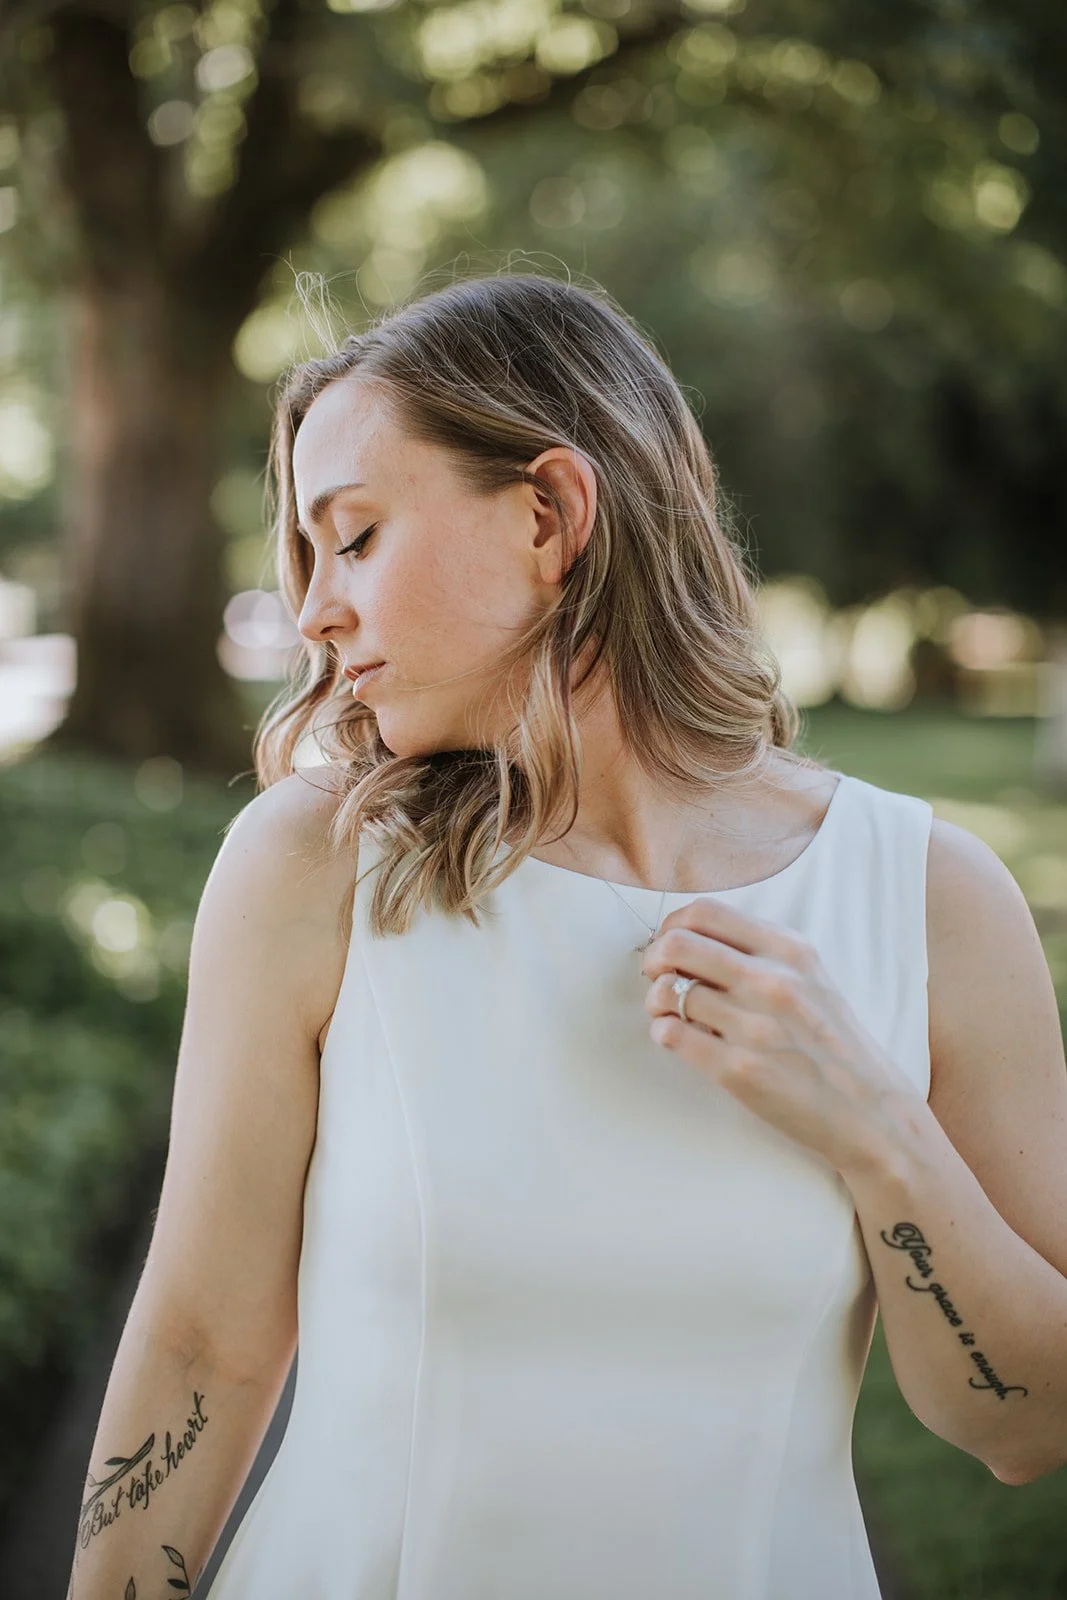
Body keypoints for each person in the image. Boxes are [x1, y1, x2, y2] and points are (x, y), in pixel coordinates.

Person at [66, 272, 1067, 1600]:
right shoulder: (317, 869)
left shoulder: (932, 900)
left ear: (549, 514)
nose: (313, 612)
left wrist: (880, 1134)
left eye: (354, 537)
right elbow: (202, 1347)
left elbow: (1022, 1428)